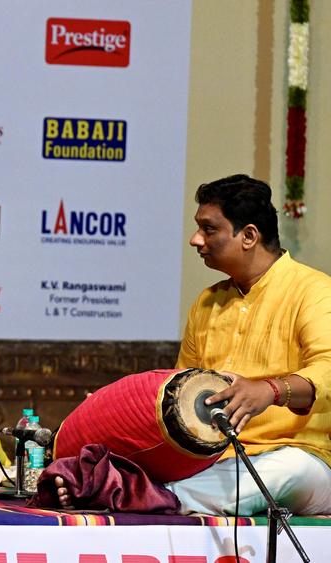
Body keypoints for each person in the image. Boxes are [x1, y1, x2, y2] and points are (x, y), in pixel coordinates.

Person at [55, 174, 331, 515]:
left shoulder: (314, 292)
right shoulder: (207, 303)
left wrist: (269, 391)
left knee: (289, 470)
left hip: (302, 458)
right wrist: (110, 412)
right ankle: (134, 488)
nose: (195, 239)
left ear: (248, 236)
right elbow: (179, 393)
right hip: (210, 461)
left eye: (208, 228)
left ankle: (142, 496)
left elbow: (327, 370)